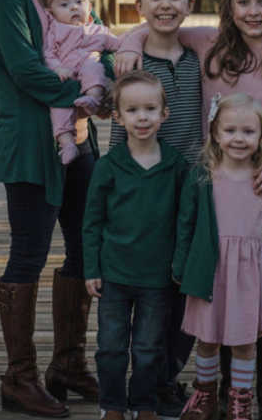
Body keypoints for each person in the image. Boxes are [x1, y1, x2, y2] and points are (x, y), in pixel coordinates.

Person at [117, 0, 262, 420]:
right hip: (217, 199)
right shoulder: (210, 46)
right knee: (213, 286)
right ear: (229, 8)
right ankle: (212, 385)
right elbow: (158, 26)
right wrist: (130, 42)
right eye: (243, 2)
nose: (253, 11)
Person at [0, 0, 104, 417]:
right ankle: (18, 378)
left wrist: (113, 76)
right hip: (31, 138)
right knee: (29, 251)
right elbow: (25, 67)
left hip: (76, 132)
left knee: (84, 243)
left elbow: (91, 31)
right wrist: (91, 96)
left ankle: (67, 364)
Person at [108, 0, 204, 417]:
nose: (165, 5)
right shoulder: (130, 63)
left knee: (186, 287)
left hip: (190, 192)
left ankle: (166, 377)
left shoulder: (199, 58)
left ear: (190, 4)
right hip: (144, 196)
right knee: (148, 295)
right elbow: (116, 139)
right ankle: (144, 384)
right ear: (139, 5)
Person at [172, 93, 262, 420]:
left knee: (244, 343)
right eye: (230, 130)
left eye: (248, 132)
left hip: (250, 274)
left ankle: (240, 400)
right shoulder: (203, 176)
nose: (239, 138)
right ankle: (205, 396)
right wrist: (181, 266)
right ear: (215, 134)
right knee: (206, 339)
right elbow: (186, 223)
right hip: (210, 270)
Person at [83, 70, 190, 420]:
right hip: (114, 274)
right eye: (131, 110)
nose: (141, 117)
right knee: (111, 347)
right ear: (117, 117)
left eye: (149, 109)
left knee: (148, 347)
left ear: (164, 114)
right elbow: (92, 222)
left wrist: (178, 266)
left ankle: (144, 404)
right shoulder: (108, 166)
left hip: (157, 279)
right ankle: (112, 405)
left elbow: (183, 221)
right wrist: (91, 268)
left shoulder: (177, 167)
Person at [42, 0, 120, 163]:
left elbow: (116, 43)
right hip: (66, 74)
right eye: (64, 5)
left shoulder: (95, 29)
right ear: (51, 12)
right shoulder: (54, 31)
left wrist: (132, 46)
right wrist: (58, 68)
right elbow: (48, 54)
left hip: (85, 67)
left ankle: (93, 98)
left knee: (93, 69)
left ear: (89, 8)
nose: (74, 7)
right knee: (59, 110)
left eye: (79, 2)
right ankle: (67, 144)